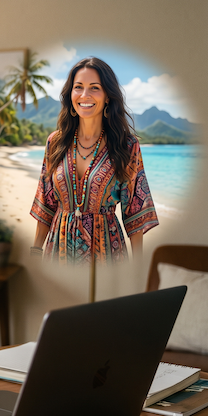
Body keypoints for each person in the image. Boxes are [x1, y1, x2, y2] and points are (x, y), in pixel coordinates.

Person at [30, 57, 158, 264]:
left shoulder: (126, 145)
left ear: (108, 96)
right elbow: (46, 205)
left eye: (94, 88)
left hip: (107, 255)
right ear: (70, 94)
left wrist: (138, 268)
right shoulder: (55, 142)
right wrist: (35, 253)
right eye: (78, 87)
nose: (84, 95)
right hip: (57, 254)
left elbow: (135, 212)